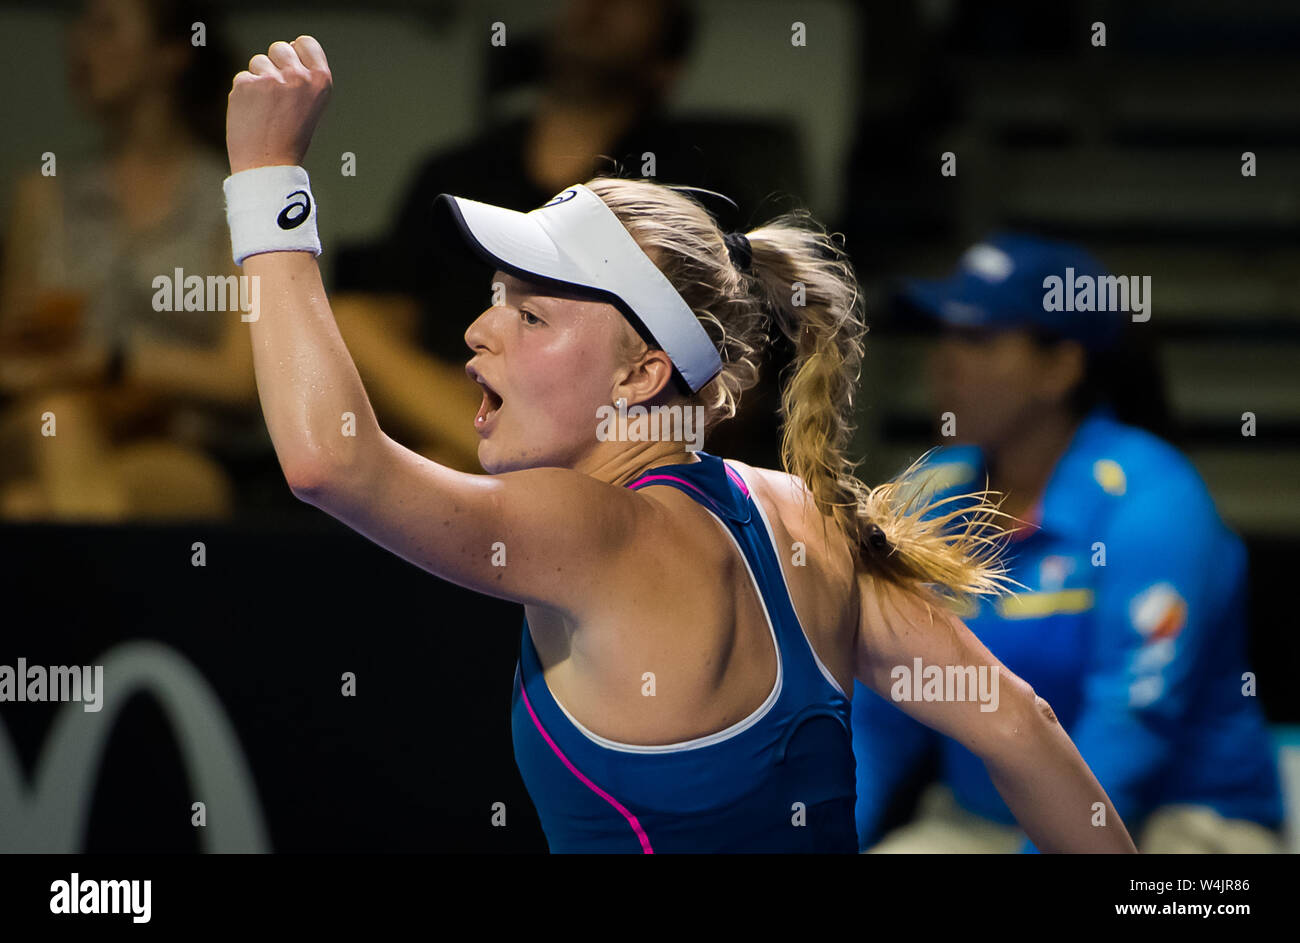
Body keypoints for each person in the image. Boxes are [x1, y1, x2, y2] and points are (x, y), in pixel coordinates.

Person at [220, 36, 1138, 852]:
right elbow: (1021, 723)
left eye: (530, 313)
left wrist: (267, 180)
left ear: (641, 375)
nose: (477, 332)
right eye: (495, 298)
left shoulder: (590, 529)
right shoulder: (803, 515)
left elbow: (330, 461)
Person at [852, 233, 1285, 853]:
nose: (944, 362)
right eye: (943, 335)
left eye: (978, 339)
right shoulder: (924, 496)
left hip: (1183, 826)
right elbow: (877, 718)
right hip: (978, 825)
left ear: (1061, 367)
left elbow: (1132, 727)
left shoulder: (1155, 501)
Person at [329, 0, 802, 474]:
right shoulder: (455, 168)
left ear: (667, 65)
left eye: (532, 315)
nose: (595, 7)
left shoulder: (692, 188)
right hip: (470, 424)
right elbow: (372, 334)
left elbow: (728, 387)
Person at [0, 0, 259, 520]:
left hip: (173, 443)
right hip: (43, 422)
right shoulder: (42, 195)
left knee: (26, 509)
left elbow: (241, 380)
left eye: (103, 26)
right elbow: (12, 366)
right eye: (78, 24)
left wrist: (113, 361)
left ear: (170, 54)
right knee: (62, 418)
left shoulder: (237, 199)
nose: (77, 44)